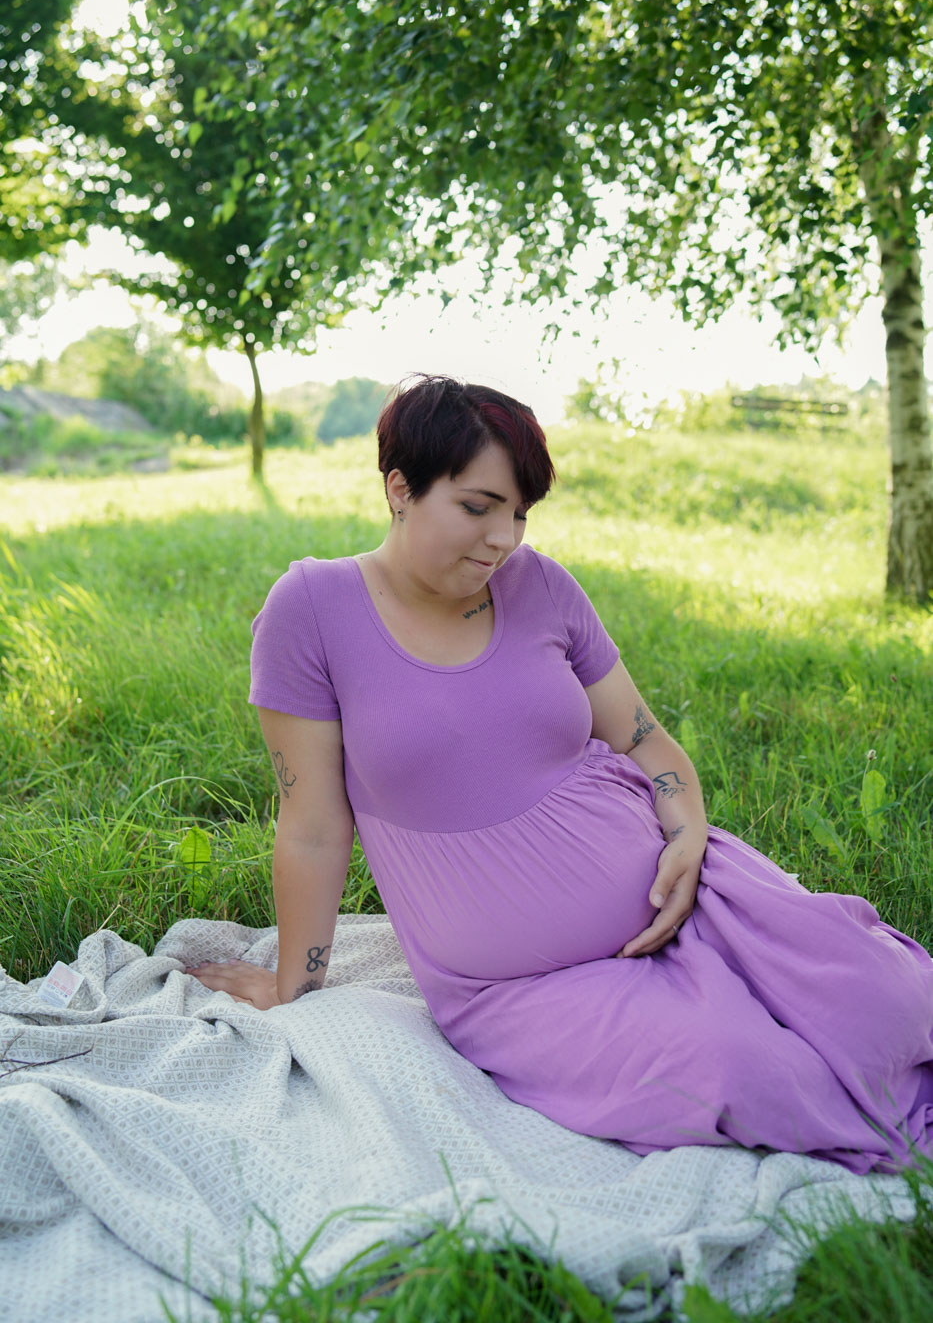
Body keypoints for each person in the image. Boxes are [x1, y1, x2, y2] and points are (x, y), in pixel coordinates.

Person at [188, 373, 933, 1174]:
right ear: (399, 489)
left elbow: (647, 743)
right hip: (521, 987)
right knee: (745, 1073)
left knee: (887, 1001)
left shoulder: (540, 585)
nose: (501, 539)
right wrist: (295, 988)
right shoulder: (312, 608)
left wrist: (687, 838)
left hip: (693, 897)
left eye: (518, 513)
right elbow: (311, 826)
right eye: (477, 507)